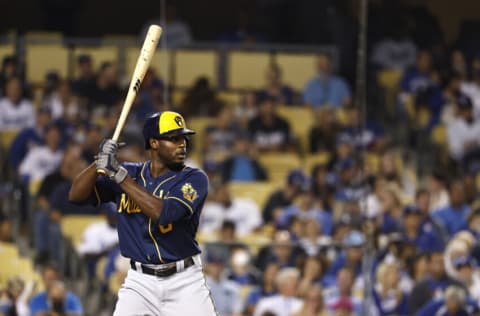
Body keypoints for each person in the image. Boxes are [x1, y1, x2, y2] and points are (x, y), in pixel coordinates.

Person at [68, 111, 217, 315]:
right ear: (154, 143)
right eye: (174, 139)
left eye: (183, 138)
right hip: (140, 282)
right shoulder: (131, 173)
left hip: (184, 281)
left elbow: (164, 213)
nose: (182, 144)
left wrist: (119, 176)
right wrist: (99, 163)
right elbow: (76, 196)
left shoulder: (193, 178)